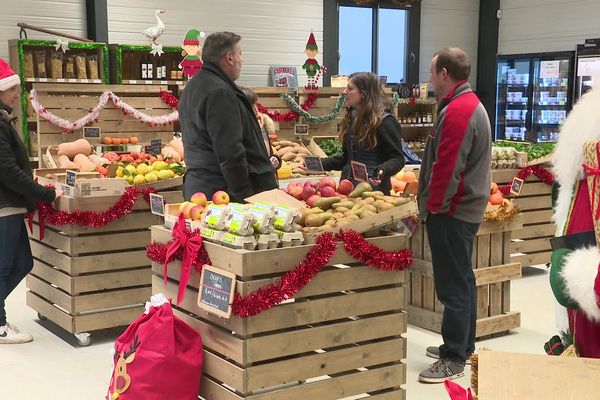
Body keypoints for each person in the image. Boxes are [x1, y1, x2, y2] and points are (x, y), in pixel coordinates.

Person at [417, 48, 491, 383]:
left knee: (453, 286)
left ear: (445, 73)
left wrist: (431, 208)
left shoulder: (460, 110)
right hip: (461, 210)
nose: (429, 80)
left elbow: (447, 170)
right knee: (463, 280)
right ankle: (463, 344)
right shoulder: (464, 104)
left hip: (453, 212)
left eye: (432, 73)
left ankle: (453, 358)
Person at [0, 59, 61, 344]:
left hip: (11, 206)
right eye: (12, 88)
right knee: (6, 265)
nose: (16, 94)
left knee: (22, 262)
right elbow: (8, 172)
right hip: (4, 207)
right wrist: (46, 194)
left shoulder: (3, 119)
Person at [179, 32, 278, 202]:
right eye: (240, 53)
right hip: (223, 193)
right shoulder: (220, 92)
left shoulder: (193, 86)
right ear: (230, 58)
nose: (242, 60)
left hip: (202, 188)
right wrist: (243, 196)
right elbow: (230, 151)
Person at [313, 72, 405, 194]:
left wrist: (382, 170)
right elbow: (346, 159)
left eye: (350, 88)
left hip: (373, 193)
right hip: (347, 190)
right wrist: (317, 164)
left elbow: (398, 159)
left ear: (364, 93)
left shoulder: (384, 121)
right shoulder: (352, 119)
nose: (345, 92)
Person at [239, 87, 281, 171]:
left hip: (266, 179)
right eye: (251, 106)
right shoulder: (240, 132)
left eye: (255, 104)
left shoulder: (260, 127)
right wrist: (265, 167)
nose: (256, 110)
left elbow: (266, 153)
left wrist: (275, 159)